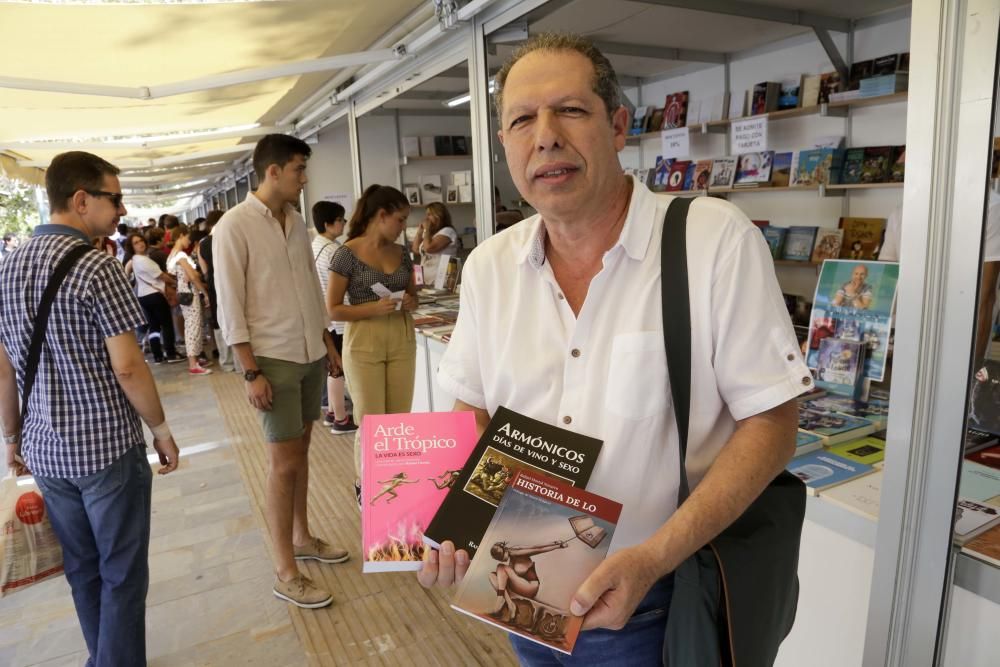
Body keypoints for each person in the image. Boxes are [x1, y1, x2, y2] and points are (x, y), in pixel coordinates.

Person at [417, 34, 808, 664]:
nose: (544, 136)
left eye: (570, 110)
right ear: (506, 148)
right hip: (523, 592)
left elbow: (773, 423)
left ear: (619, 125)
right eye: (521, 120)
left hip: (659, 603)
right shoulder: (490, 267)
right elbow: (473, 412)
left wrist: (652, 559)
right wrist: (456, 531)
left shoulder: (711, 243)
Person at [0, 151, 179, 667]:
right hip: (105, 449)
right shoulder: (98, 265)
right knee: (122, 571)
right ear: (82, 200)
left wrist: (13, 439)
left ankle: (102, 657)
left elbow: (5, 370)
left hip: (47, 454)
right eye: (114, 198)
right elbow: (128, 366)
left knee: (83, 568)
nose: (121, 209)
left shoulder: (7, 267)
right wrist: (161, 429)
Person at [214, 134, 348, 610]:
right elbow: (230, 303)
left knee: (302, 452)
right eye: (298, 169)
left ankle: (302, 537)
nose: (304, 178)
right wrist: (250, 371)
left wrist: (329, 345)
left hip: (310, 351)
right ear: (273, 171)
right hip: (271, 358)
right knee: (282, 462)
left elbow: (310, 289)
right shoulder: (234, 226)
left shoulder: (294, 222)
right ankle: (284, 570)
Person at [326, 184, 418, 506]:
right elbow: (333, 308)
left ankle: (395, 485)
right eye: (401, 219)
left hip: (402, 338)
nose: (404, 227)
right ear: (382, 216)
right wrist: (372, 309)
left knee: (398, 422)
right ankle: (366, 484)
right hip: (363, 341)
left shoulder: (401, 252)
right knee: (371, 422)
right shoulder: (346, 254)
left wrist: (409, 301)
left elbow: (414, 296)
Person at [310, 200, 357, 434]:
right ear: (328, 224)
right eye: (341, 220)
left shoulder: (317, 246)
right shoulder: (333, 251)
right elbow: (344, 288)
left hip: (325, 317)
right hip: (338, 319)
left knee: (333, 366)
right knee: (338, 367)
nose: (344, 224)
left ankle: (332, 411)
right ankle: (340, 419)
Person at [124, 232, 183, 364]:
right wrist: (176, 283)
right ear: (131, 247)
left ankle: (157, 355)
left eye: (141, 240)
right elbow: (162, 276)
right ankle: (171, 353)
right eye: (136, 243)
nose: (140, 244)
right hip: (155, 295)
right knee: (166, 324)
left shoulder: (134, 260)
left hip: (143, 296)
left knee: (154, 326)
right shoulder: (144, 260)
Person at [167, 225, 212, 376]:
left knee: (191, 326)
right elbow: (193, 276)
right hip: (190, 293)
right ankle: (193, 363)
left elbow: (178, 275)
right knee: (193, 327)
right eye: (187, 238)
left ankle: (195, 360)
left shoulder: (172, 255)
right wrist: (204, 292)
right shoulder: (180, 255)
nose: (189, 242)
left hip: (183, 292)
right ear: (181, 235)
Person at [198, 210, 235, 371]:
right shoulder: (229, 237)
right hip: (232, 281)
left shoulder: (203, 243)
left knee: (218, 320)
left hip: (214, 284)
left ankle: (226, 362)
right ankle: (240, 362)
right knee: (234, 317)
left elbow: (205, 270)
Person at [411, 201, 459, 286]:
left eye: (429, 214)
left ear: (439, 216)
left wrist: (427, 230)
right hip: (426, 280)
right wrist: (419, 232)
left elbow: (429, 248)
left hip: (442, 280)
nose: (426, 218)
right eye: (426, 215)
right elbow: (415, 249)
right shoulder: (430, 235)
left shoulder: (448, 231)